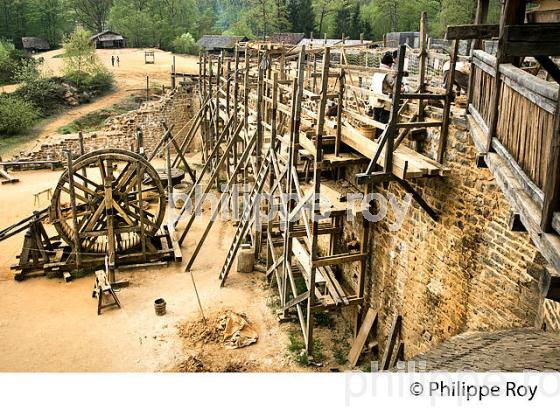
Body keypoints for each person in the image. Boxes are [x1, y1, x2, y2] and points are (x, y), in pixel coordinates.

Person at [369, 52, 394, 137]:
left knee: (376, 117)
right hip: (385, 99)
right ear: (389, 64)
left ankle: (375, 135)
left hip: (376, 97)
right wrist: (404, 89)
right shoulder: (388, 73)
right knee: (384, 118)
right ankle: (381, 136)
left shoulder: (378, 71)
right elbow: (393, 84)